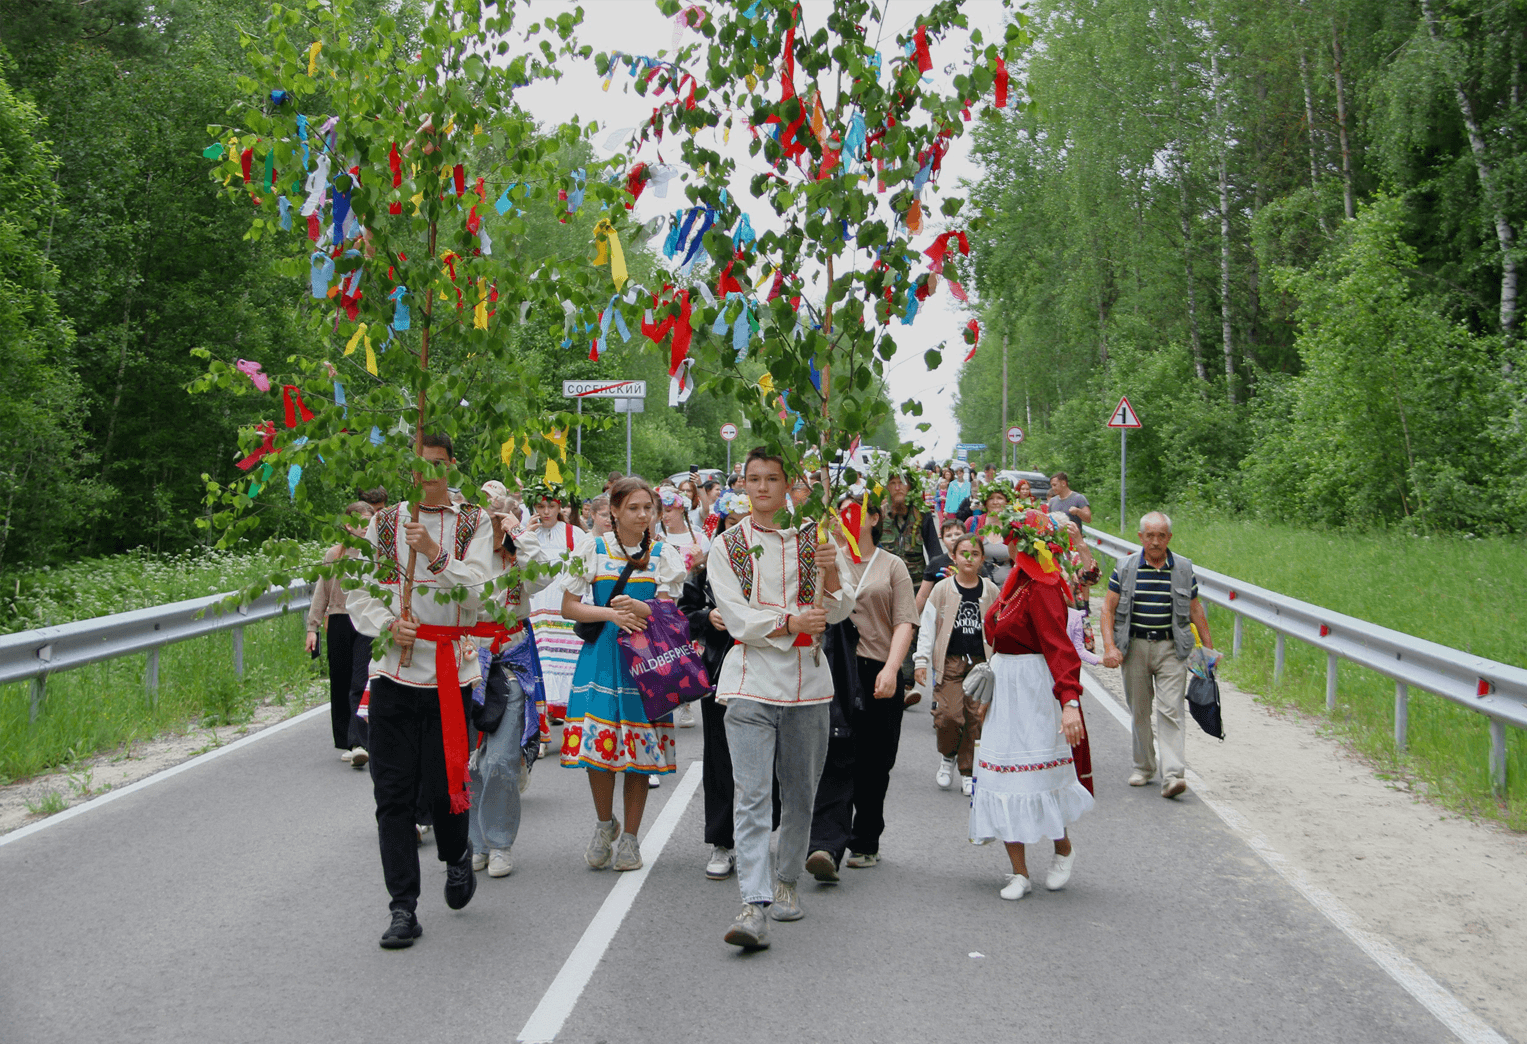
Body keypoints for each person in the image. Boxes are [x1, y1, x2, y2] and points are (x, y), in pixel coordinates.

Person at [347, 433, 495, 948]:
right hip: (393, 671)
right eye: (419, 467)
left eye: (437, 465)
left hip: (449, 675)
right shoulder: (384, 524)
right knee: (391, 796)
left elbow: (479, 594)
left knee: (444, 790)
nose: (428, 475)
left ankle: (457, 857)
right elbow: (359, 589)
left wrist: (434, 553)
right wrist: (387, 624)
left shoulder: (475, 522)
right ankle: (402, 907)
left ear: (452, 466)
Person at [707, 447, 854, 950]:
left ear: (789, 483)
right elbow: (734, 613)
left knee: (800, 793)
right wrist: (789, 622)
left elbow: (840, 608)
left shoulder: (815, 536)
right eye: (754, 478)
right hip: (748, 683)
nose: (763, 487)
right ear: (743, 485)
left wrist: (831, 573)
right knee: (751, 795)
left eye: (772, 478)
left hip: (809, 686)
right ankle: (753, 903)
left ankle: (788, 879)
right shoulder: (727, 545)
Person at [558, 477, 686, 872]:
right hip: (601, 658)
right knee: (599, 750)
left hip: (645, 664)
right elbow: (568, 607)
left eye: (648, 507)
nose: (643, 515)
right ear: (613, 510)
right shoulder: (592, 548)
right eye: (633, 508)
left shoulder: (665, 554)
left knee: (639, 751)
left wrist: (641, 608)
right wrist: (612, 613)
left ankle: (630, 837)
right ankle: (604, 824)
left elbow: (670, 613)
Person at [972, 508, 1095, 901]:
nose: (1005, 543)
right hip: (1007, 687)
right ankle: (1019, 873)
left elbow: (1060, 649)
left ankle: (1063, 850)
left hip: (1033, 690)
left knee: (1037, 779)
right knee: (1001, 779)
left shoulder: (1043, 587)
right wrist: (990, 694)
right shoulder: (1015, 582)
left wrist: (1069, 701)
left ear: (1025, 543)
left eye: (1011, 537)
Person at [805, 501, 917, 881]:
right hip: (834, 670)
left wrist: (891, 669)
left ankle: (866, 839)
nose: (844, 519)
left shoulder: (892, 566)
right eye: (838, 512)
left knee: (875, 761)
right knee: (835, 755)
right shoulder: (825, 560)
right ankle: (825, 845)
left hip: (877, 670)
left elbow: (904, 622)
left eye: (854, 511)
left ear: (873, 519)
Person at [678, 509, 781, 882]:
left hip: (773, 670)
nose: (740, 528)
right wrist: (708, 616)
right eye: (731, 521)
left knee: (773, 757)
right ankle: (723, 841)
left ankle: (765, 834)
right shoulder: (705, 571)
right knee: (720, 759)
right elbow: (682, 613)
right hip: (721, 673)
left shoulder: (779, 562)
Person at [1099, 511, 1214, 799]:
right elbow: (1107, 610)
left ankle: (1173, 774)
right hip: (1134, 647)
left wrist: (1207, 652)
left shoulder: (1184, 569)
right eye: (1149, 535)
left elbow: (1195, 610)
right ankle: (1143, 766)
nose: (1155, 541)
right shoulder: (1125, 568)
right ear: (1140, 537)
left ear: (1169, 538)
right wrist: (1110, 647)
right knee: (1139, 710)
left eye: (1161, 535)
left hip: (1171, 648)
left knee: (1171, 710)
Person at [467, 499, 535, 879]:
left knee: (500, 759)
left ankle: (500, 841)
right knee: (466, 761)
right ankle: (475, 842)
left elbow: (542, 578)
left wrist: (520, 533)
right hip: (465, 662)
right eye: (487, 517)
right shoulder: (463, 557)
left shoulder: (520, 560)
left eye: (500, 517)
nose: (493, 525)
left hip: (508, 663)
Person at [914, 534, 999, 795]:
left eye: (975, 553)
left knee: (974, 718)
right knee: (949, 716)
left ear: (982, 558)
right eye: (963, 553)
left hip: (980, 666)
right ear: (954, 557)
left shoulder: (990, 591)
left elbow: (998, 628)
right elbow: (928, 627)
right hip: (950, 663)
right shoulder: (942, 589)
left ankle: (967, 771)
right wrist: (921, 660)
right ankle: (948, 755)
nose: (969, 558)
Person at [306, 501, 375, 768]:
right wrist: (312, 627)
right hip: (338, 620)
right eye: (363, 522)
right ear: (349, 525)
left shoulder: (377, 553)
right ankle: (346, 738)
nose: (368, 526)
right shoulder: (334, 554)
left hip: (366, 622)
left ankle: (360, 741)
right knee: (340, 680)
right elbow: (320, 593)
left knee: (360, 679)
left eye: (371, 521)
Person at [519, 482, 586, 739]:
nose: (546, 511)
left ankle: (573, 729)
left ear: (560, 507)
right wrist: (524, 535)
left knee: (567, 667)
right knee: (540, 669)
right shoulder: (527, 534)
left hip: (563, 611)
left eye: (551, 506)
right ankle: (542, 731)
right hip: (536, 609)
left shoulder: (574, 535)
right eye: (540, 506)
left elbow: (584, 572)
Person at [916, 516, 972, 613]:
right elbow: (922, 595)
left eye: (957, 534)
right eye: (948, 536)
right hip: (942, 613)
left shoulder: (973, 560)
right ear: (942, 539)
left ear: (965, 536)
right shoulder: (936, 563)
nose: (953, 538)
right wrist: (913, 622)